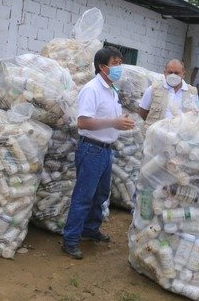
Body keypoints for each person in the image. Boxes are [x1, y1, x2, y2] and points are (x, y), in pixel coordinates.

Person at [62, 47, 135, 259]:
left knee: (101, 194)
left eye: (120, 63)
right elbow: (83, 122)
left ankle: (90, 230)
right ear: (103, 67)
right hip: (91, 148)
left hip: (105, 150)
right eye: (115, 63)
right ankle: (70, 240)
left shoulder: (111, 89)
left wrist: (121, 123)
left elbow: (107, 119)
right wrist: (114, 122)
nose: (119, 67)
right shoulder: (92, 89)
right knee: (84, 196)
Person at [137, 59, 199, 132]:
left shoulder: (192, 92)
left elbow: (195, 116)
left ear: (183, 74)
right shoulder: (153, 89)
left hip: (180, 139)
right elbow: (142, 112)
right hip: (155, 138)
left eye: (176, 73)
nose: (173, 75)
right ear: (164, 73)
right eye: (170, 72)